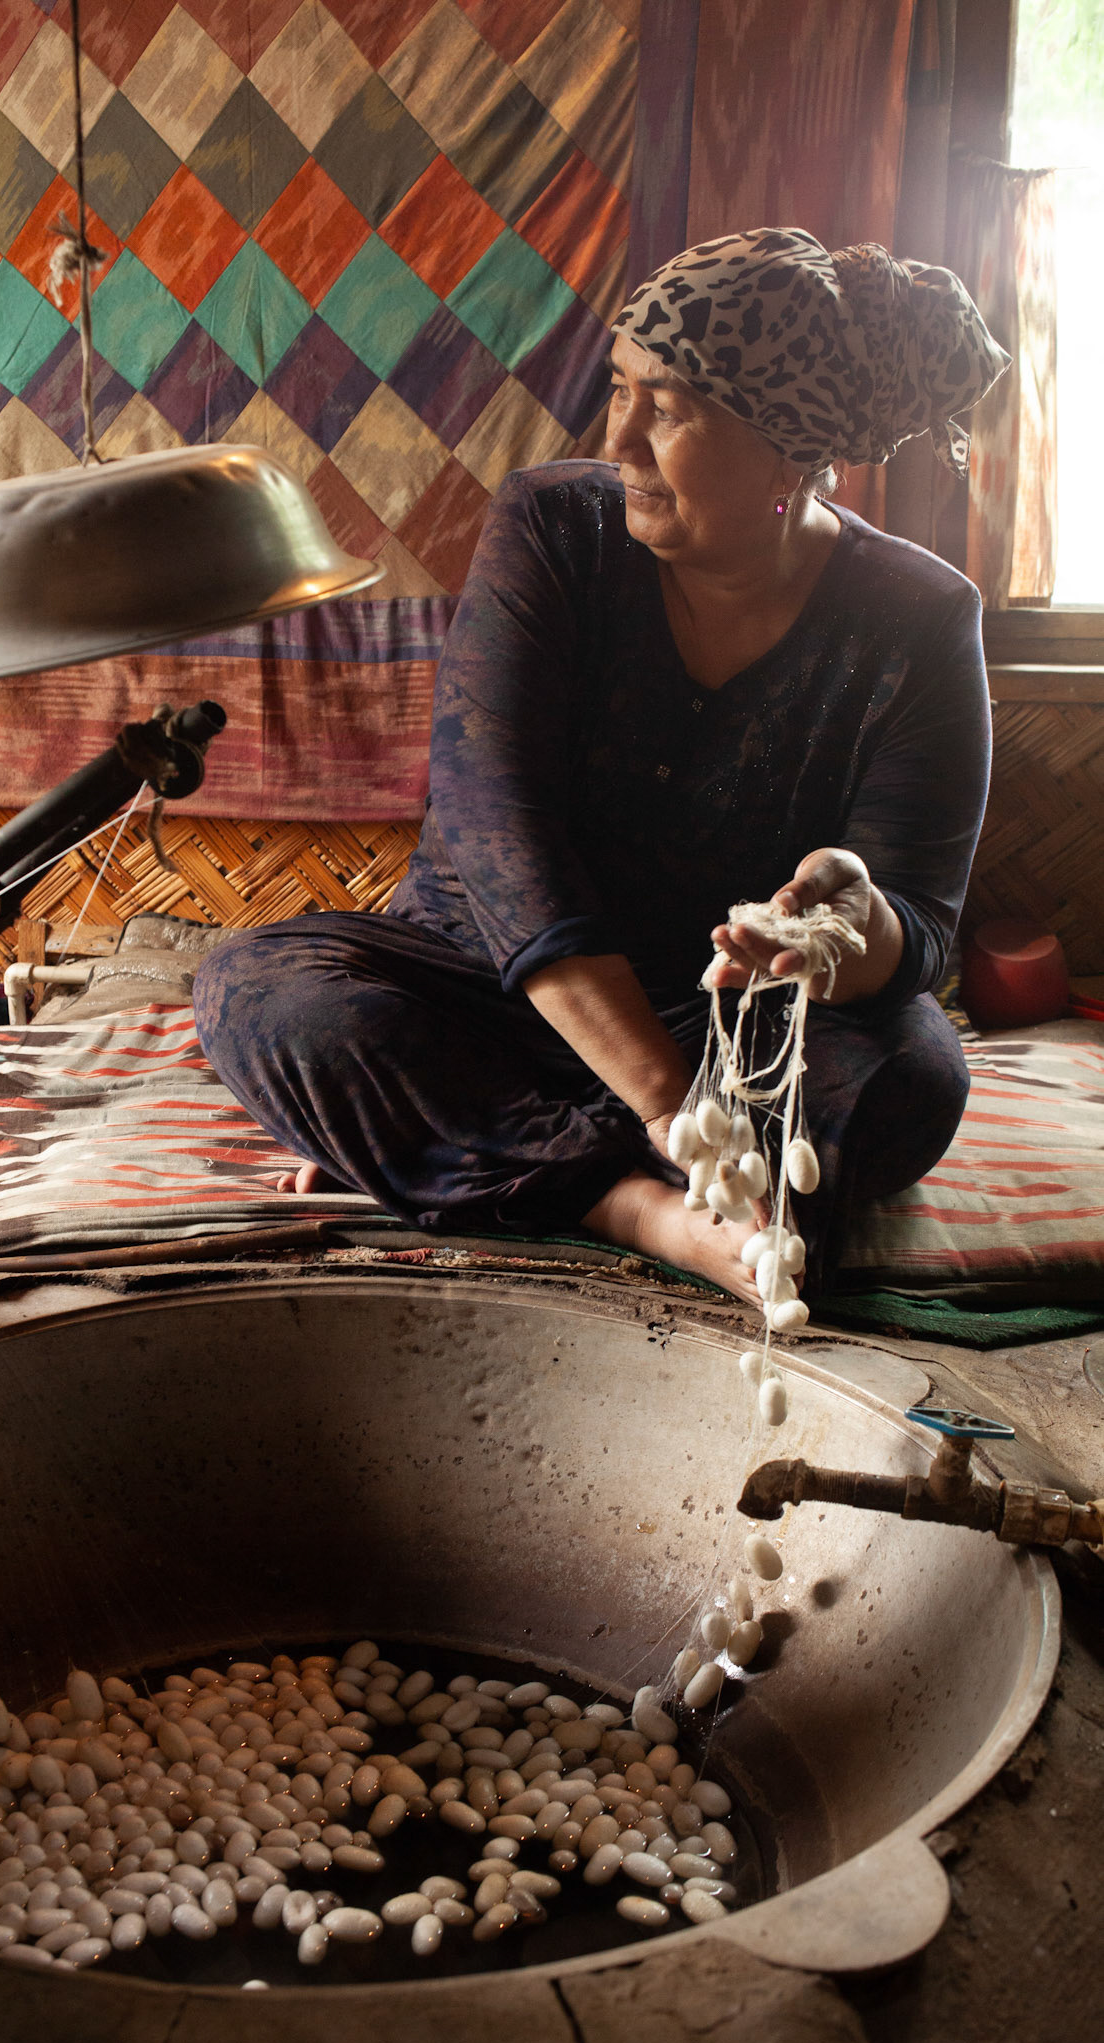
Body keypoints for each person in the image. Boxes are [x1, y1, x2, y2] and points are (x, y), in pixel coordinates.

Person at [193, 227, 1008, 1303]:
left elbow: (917, 924)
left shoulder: (919, 616)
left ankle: (463, 1152)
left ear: (786, 448)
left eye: (666, 407)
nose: (618, 437)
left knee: (912, 1076)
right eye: (621, 389)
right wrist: (675, 1115)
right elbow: (499, 837)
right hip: (487, 983)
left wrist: (839, 935)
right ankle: (636, 1208)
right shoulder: (554, 527)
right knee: (261, 992)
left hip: (717, 1015)